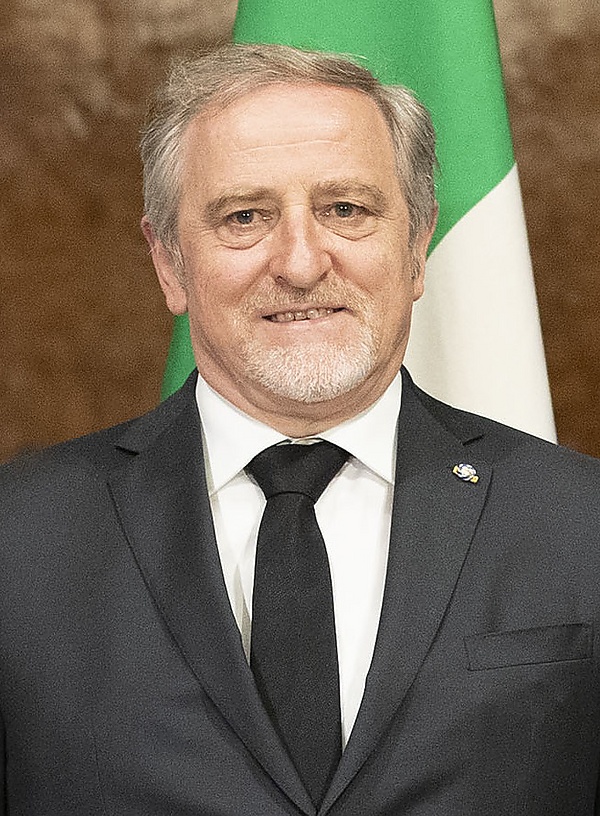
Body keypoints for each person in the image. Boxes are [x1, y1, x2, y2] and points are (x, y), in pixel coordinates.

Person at [1, 42, 599, 816]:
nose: (301, 262)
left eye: (346, 210)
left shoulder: (580, 521)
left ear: (417, 245)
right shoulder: (19, 536)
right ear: (170, 264)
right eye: (245, 217)